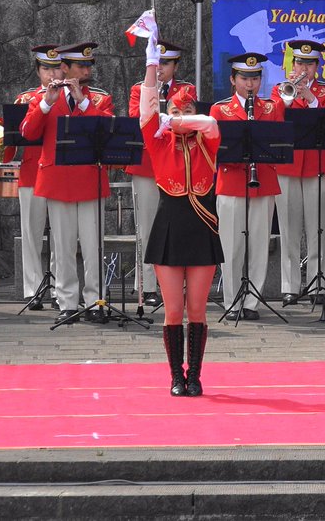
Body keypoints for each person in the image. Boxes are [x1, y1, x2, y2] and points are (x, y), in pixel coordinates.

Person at [137, 35, 224, 397]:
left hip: (202, 225)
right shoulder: (158, 141)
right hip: (170, 226)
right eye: (175, 110)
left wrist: (181, 120)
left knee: (197, 310)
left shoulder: (208, 139)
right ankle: (176, 375)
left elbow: (211, 123)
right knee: (173, 310)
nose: (181, 116)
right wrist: (151, 66)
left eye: (187, 110)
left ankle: (196, 375)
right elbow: (146, 110)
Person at [20, 42, 115, 325]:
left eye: (88, 66)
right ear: (65, 68)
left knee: (93, 247)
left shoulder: (99, 99)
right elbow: (28, 132)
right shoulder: (43, 98)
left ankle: (96, 301)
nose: (86, 71)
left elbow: (108, 132)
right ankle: (67, 302)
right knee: (62, 248)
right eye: (80, 66)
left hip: (89, 180)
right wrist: (47, 104)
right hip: (57, 180)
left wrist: (83, 103)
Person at [210, 53, 284, 321]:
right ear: (233, 80)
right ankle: (231, 301)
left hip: (263, 182)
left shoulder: (271, 108)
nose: (250, 84)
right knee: (231, 246)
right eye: (244, 78)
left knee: (259, 245)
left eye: (255, 78)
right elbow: (216, 148)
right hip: (231, 183)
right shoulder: (220, 110)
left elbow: (278, 146)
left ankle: (252, 302)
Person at [126, 40, 196, 309]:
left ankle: (175, 284)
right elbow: (139, 118)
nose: (160, 69)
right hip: (147, 165)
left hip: (176, 165)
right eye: (156, 63)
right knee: (146, 227)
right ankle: (147, 286)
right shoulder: (140, 89)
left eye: (165, 63)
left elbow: (189, 120)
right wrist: (154, 94)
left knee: (177, 226)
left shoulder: (187, 90)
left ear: (175, 66)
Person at [272, 40, 325, 307]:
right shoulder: (279, 90)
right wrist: (288, 96)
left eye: (309, 64)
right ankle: (289, 286)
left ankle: (316, 284)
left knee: (317, 227)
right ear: (292, 64)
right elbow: (275, 118)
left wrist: (310, 98)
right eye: (299, 63)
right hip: (288, 166)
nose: (303, 69)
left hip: (317, 166)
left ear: (316, 67)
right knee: (288, 228)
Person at [17, 45, 60, 310]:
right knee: (31, 234)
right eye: (46, 68)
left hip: (57, 173)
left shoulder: (68, 98)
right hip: (32, 172)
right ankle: (32, 289)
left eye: (55, 68)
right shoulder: (25, 99)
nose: (51, 74)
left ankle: (58, 289)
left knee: (60, 236)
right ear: (38, 71)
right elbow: (17, 136)